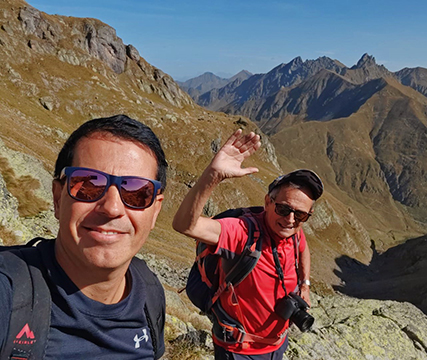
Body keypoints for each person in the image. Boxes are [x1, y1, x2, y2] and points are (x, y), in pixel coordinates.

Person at [0, 115, 167, 359]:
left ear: (155, 211)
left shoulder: (150, 295)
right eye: (88, 184)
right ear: (58, 198)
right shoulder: (9, 294)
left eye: (136, 192)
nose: (112, 208)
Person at [172, 129, 323, 359]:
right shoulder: (242, 232)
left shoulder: (293, 232)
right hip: (239, 351)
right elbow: (185, 225)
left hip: (277, 345)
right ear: (267, 201)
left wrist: (305, 283)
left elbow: (303, 248)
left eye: (300, 215)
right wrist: (213, 176)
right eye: (283, 209)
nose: (290, 220)